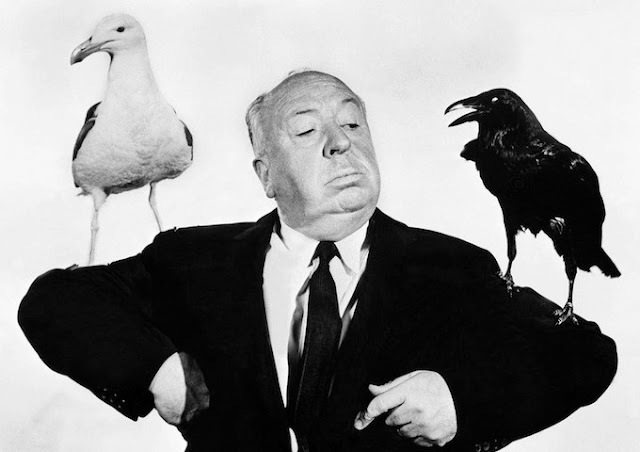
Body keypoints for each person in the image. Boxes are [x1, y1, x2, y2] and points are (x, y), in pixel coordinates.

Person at [19, 71, 617, 452]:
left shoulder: (454, 268)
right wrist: (155, 368)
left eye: (353, 122)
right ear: (266, 176)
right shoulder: (193, 260)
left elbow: (585, 353)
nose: (341, 142)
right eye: (306, 131)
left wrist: (463, 399)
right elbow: (54, 300)